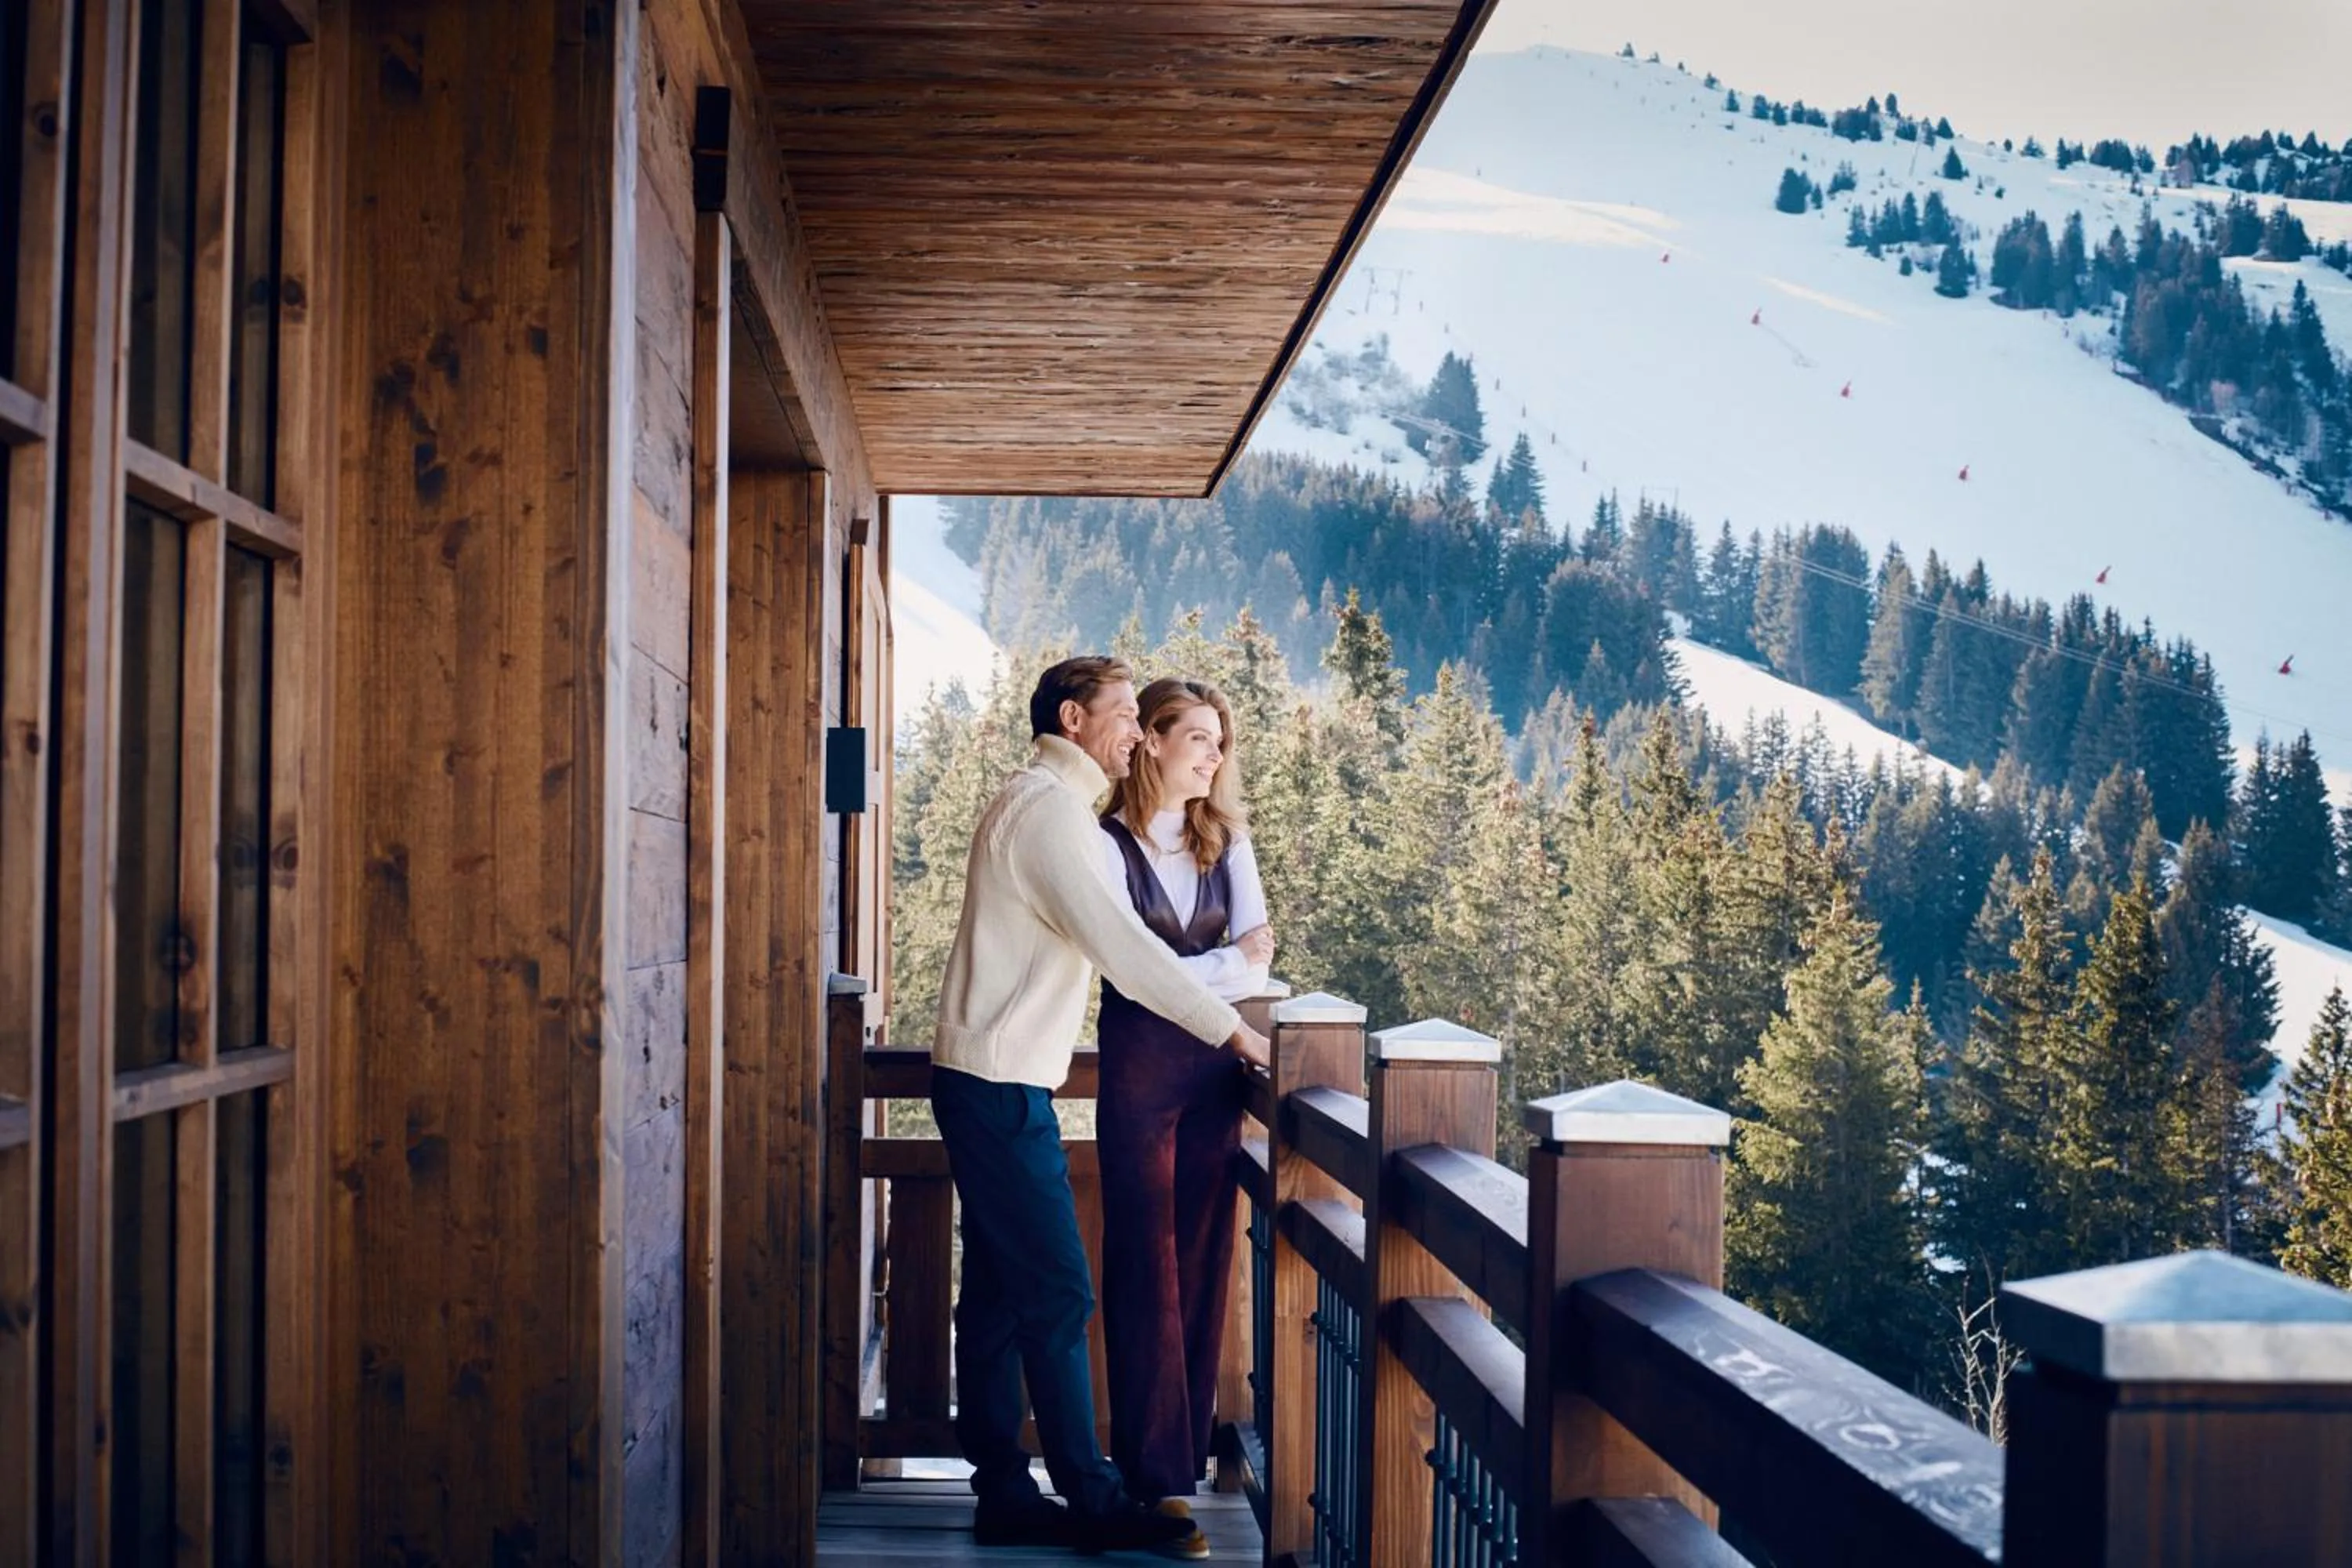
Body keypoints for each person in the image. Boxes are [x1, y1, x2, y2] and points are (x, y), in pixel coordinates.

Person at [931, 655, 1272, 1554]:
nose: (1135, 729)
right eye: (1126, 714)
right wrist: (1237, 1034)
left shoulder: (1050, 805)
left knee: (1004, 1296)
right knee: (1058, 1289)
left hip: (1000, 1080)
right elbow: (1129, 951)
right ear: (1075, 720)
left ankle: (1004, 1491)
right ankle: (1095, 1500)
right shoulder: (1050, 816)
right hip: (998, 1085)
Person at [1095, 679, 1272, 1559]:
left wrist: (1176, 974)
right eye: (1197, 736)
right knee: (1143, 1259)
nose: (1212, 755)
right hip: (1137, 1066)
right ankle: (1149, 1478)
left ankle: (1179, 1473)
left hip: (1215, 1069)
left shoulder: (1226, 838)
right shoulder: (1103, 842)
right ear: (1153, 740)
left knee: (1204, 1255)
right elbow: (1126, 973)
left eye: (1220, 740)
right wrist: (1208, 969)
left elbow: (1258, 948)